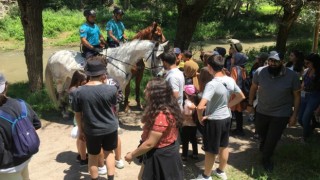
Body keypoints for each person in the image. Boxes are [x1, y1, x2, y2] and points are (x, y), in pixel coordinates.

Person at [247, 51, 301, 172]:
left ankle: (266, 159)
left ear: (282, 61)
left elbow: (297, 96)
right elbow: (253, 88)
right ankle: (264, 143)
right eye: (271, 60)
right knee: (261, 133)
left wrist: (294, 115)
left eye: (276, 61)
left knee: (273, 138)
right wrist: (250, 104)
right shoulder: (260, 72)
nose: (272, 63)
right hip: (262, 110)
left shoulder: (292, 76)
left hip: (281, 113)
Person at [193, 55, 245, 180]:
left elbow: (200, 107)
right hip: (227, 117)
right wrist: (228, 105)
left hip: (214, 120)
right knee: (224, 146)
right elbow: (241, 96)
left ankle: (206, 176)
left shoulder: (212, 84)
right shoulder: (230, 79)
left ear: (209, 67)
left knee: (210, 150)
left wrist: (200, 118)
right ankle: (221, 171)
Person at [124, 78, 184, 180]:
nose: (144, 91)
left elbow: (150, 143)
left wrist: (132, 155)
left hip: (161, 156)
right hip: (163, 151)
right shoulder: (168, 106)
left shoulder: (161, 114)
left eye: (147, 89)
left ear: (156, 94)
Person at [73, 59, 118, 180]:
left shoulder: (78, 92)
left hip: (92, 130)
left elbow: (78, 114)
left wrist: (81, 131)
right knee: (109, 153)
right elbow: (114, 108)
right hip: (110, 127)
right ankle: (111, 178)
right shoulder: (112, 89)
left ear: (88, 74)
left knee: (92, 156)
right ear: (103, 74)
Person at [0, 73, 42, 180]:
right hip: (24, 157)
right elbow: (37, 124)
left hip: (7, 168)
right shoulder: (21, 103)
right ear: (6, 86)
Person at [298, 53, 320, 142]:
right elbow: (303, 82)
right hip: (304, 96)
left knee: (305, 118)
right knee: (300, 119)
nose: (305, 65)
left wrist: (319, 108)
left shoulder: (319, 73)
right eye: (305, 63)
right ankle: (310, 129)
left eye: (307, 63)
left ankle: (305, 136)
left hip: (314, 97)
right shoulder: (307, 70)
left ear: (314, 62)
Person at [68, 70, 88, 166]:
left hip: (77, 116)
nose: (87, 82)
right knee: (83, 137)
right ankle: (83, 159)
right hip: (81, 116)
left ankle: (80, 155)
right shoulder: (76, 91)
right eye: (84, 81)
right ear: (78, 80)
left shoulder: (72, 89)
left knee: (79, 137)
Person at [229, 52, 248, 136]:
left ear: (237, 60)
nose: (231, 59)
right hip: (241, 92)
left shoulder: (234, 69)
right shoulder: (243, 68)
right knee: (238, 112)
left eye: (233, 58)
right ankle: (239, 129)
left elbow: (232, 82)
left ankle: (228, 129)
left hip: (234, 94)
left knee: (231, 110)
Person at [181, 84, 198, 161]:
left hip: (186, 125)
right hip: (194, 124)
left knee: (185, 141)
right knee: (194, 139)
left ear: (185, 94)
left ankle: (184, 155)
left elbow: (187, 114)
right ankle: (195, 154)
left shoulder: (186, 102)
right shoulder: (196, 102)